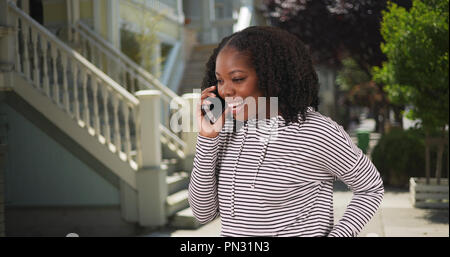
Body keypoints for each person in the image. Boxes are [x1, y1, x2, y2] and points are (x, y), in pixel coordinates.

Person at [188, 26, 384, 237]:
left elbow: (370, 188)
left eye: (237, 79)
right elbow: (203, 213)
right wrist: (207, 140)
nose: (225, 90)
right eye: (220, 80)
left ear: (271, 75)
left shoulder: (316, 132)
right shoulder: (226, 132)